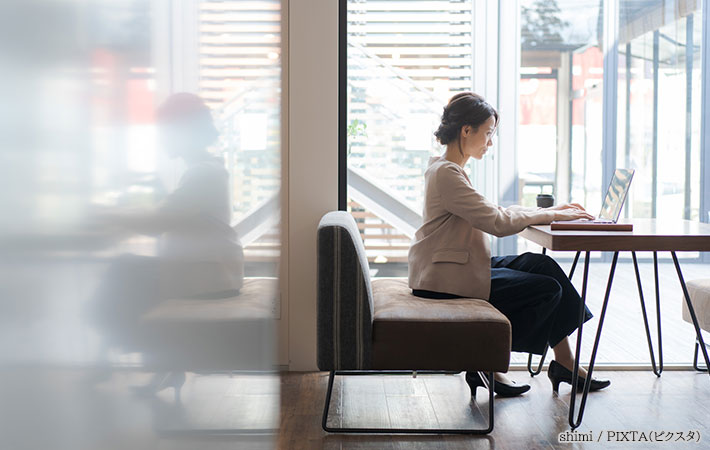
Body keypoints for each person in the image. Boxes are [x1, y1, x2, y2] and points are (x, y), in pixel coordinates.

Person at [408, 92, 610, 397]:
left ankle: (564, 362)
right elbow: (498, 223)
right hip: (444, 280)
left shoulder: (447, 169)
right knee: (546, 290)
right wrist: (552, 213)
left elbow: (496, 213)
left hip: (456, 266)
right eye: (487, 133)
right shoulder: (447, 173)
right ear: (466, 130)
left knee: (542, 265)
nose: (490, 142)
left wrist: (549, 213)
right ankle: (485, 362)